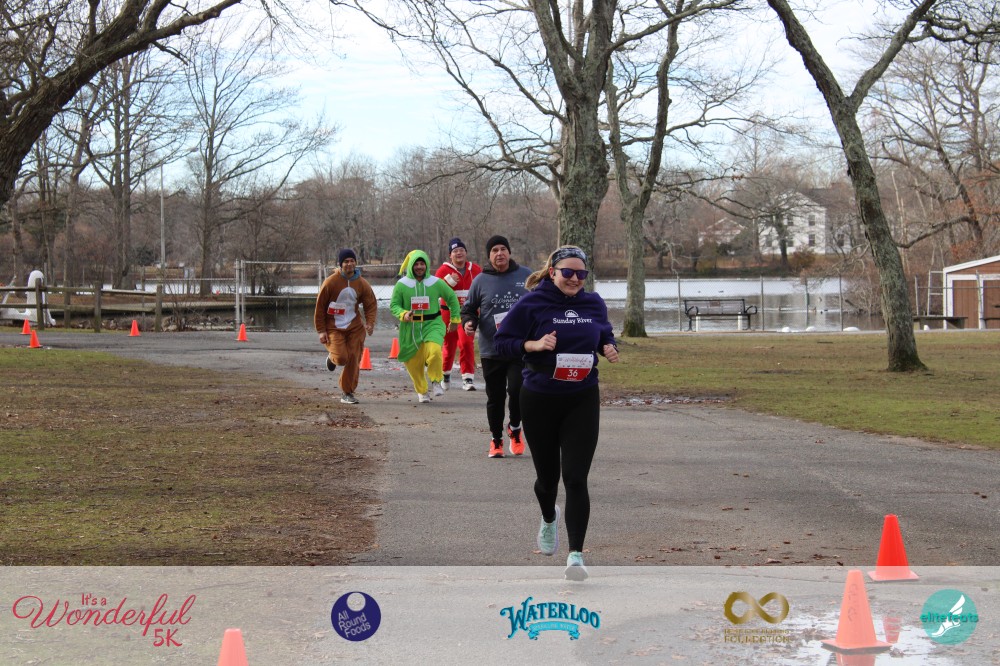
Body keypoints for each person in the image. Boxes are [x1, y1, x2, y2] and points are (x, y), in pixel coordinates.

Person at [493, 246, 619, 581]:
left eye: (581, 274)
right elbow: (502, 342)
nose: (575, 279)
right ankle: (549, 516)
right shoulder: (532, 303)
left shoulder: (593, 303)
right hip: (540, 399)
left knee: (576, 478)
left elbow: (604, 333)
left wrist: (609, 347)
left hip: (582, 398)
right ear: (552, 272)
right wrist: (532, 345)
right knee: (547, 480)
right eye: (568, 273)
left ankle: (576, 556)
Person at [460, 235, 533, 459]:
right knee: (496, 397)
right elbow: (468, 309)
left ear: (509, 253)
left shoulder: (526, 276)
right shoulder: (480, 280)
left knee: (518, 390)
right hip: (491, 348)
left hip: (519, 347)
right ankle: (496, 439)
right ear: (489, 255)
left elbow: (539, 303)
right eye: (494, 250)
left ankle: (515, 428)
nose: (499, 253)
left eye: (503, 249)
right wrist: (469, 322)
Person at [390, 250, 461, 403]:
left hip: (433, 324)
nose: (419, 267)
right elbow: (394, 305)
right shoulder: (402, 285)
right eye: (416, 264)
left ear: (426, 265)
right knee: (413, 363)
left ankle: (436, 381)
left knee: (435, 351)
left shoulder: (436, 282)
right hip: (410, 328)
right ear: (411, 266)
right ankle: (422, 391)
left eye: (422, 263)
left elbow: (452, 298)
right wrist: (403, 314)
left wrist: (455, 319)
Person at [314, 248, 378, 404]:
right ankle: (332, 358)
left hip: (355, 327)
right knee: (341, 358)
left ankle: (347, 392)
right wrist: (321, 330)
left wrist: (370, 323)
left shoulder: (361, 283)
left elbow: (370, 304)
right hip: (333, 327)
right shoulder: (330, 282)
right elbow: (320, 307)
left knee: (354, 358)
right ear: (340, 264)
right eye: (346, 261)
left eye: (352, 261)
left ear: (355, 263)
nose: (349, 264)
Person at [435, 237, 482, 391]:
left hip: (468, 314)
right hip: (448, 314)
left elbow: (483, 289)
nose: (459, 253)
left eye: (461, 250)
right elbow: (435, 291)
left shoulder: (476, 270)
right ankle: (445, 375)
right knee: (449, 346)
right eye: (455, 251)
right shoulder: (443, 271)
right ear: (450, 255)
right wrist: (448, 281)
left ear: (466, 253)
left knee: (466, 343)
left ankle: (468, 378)